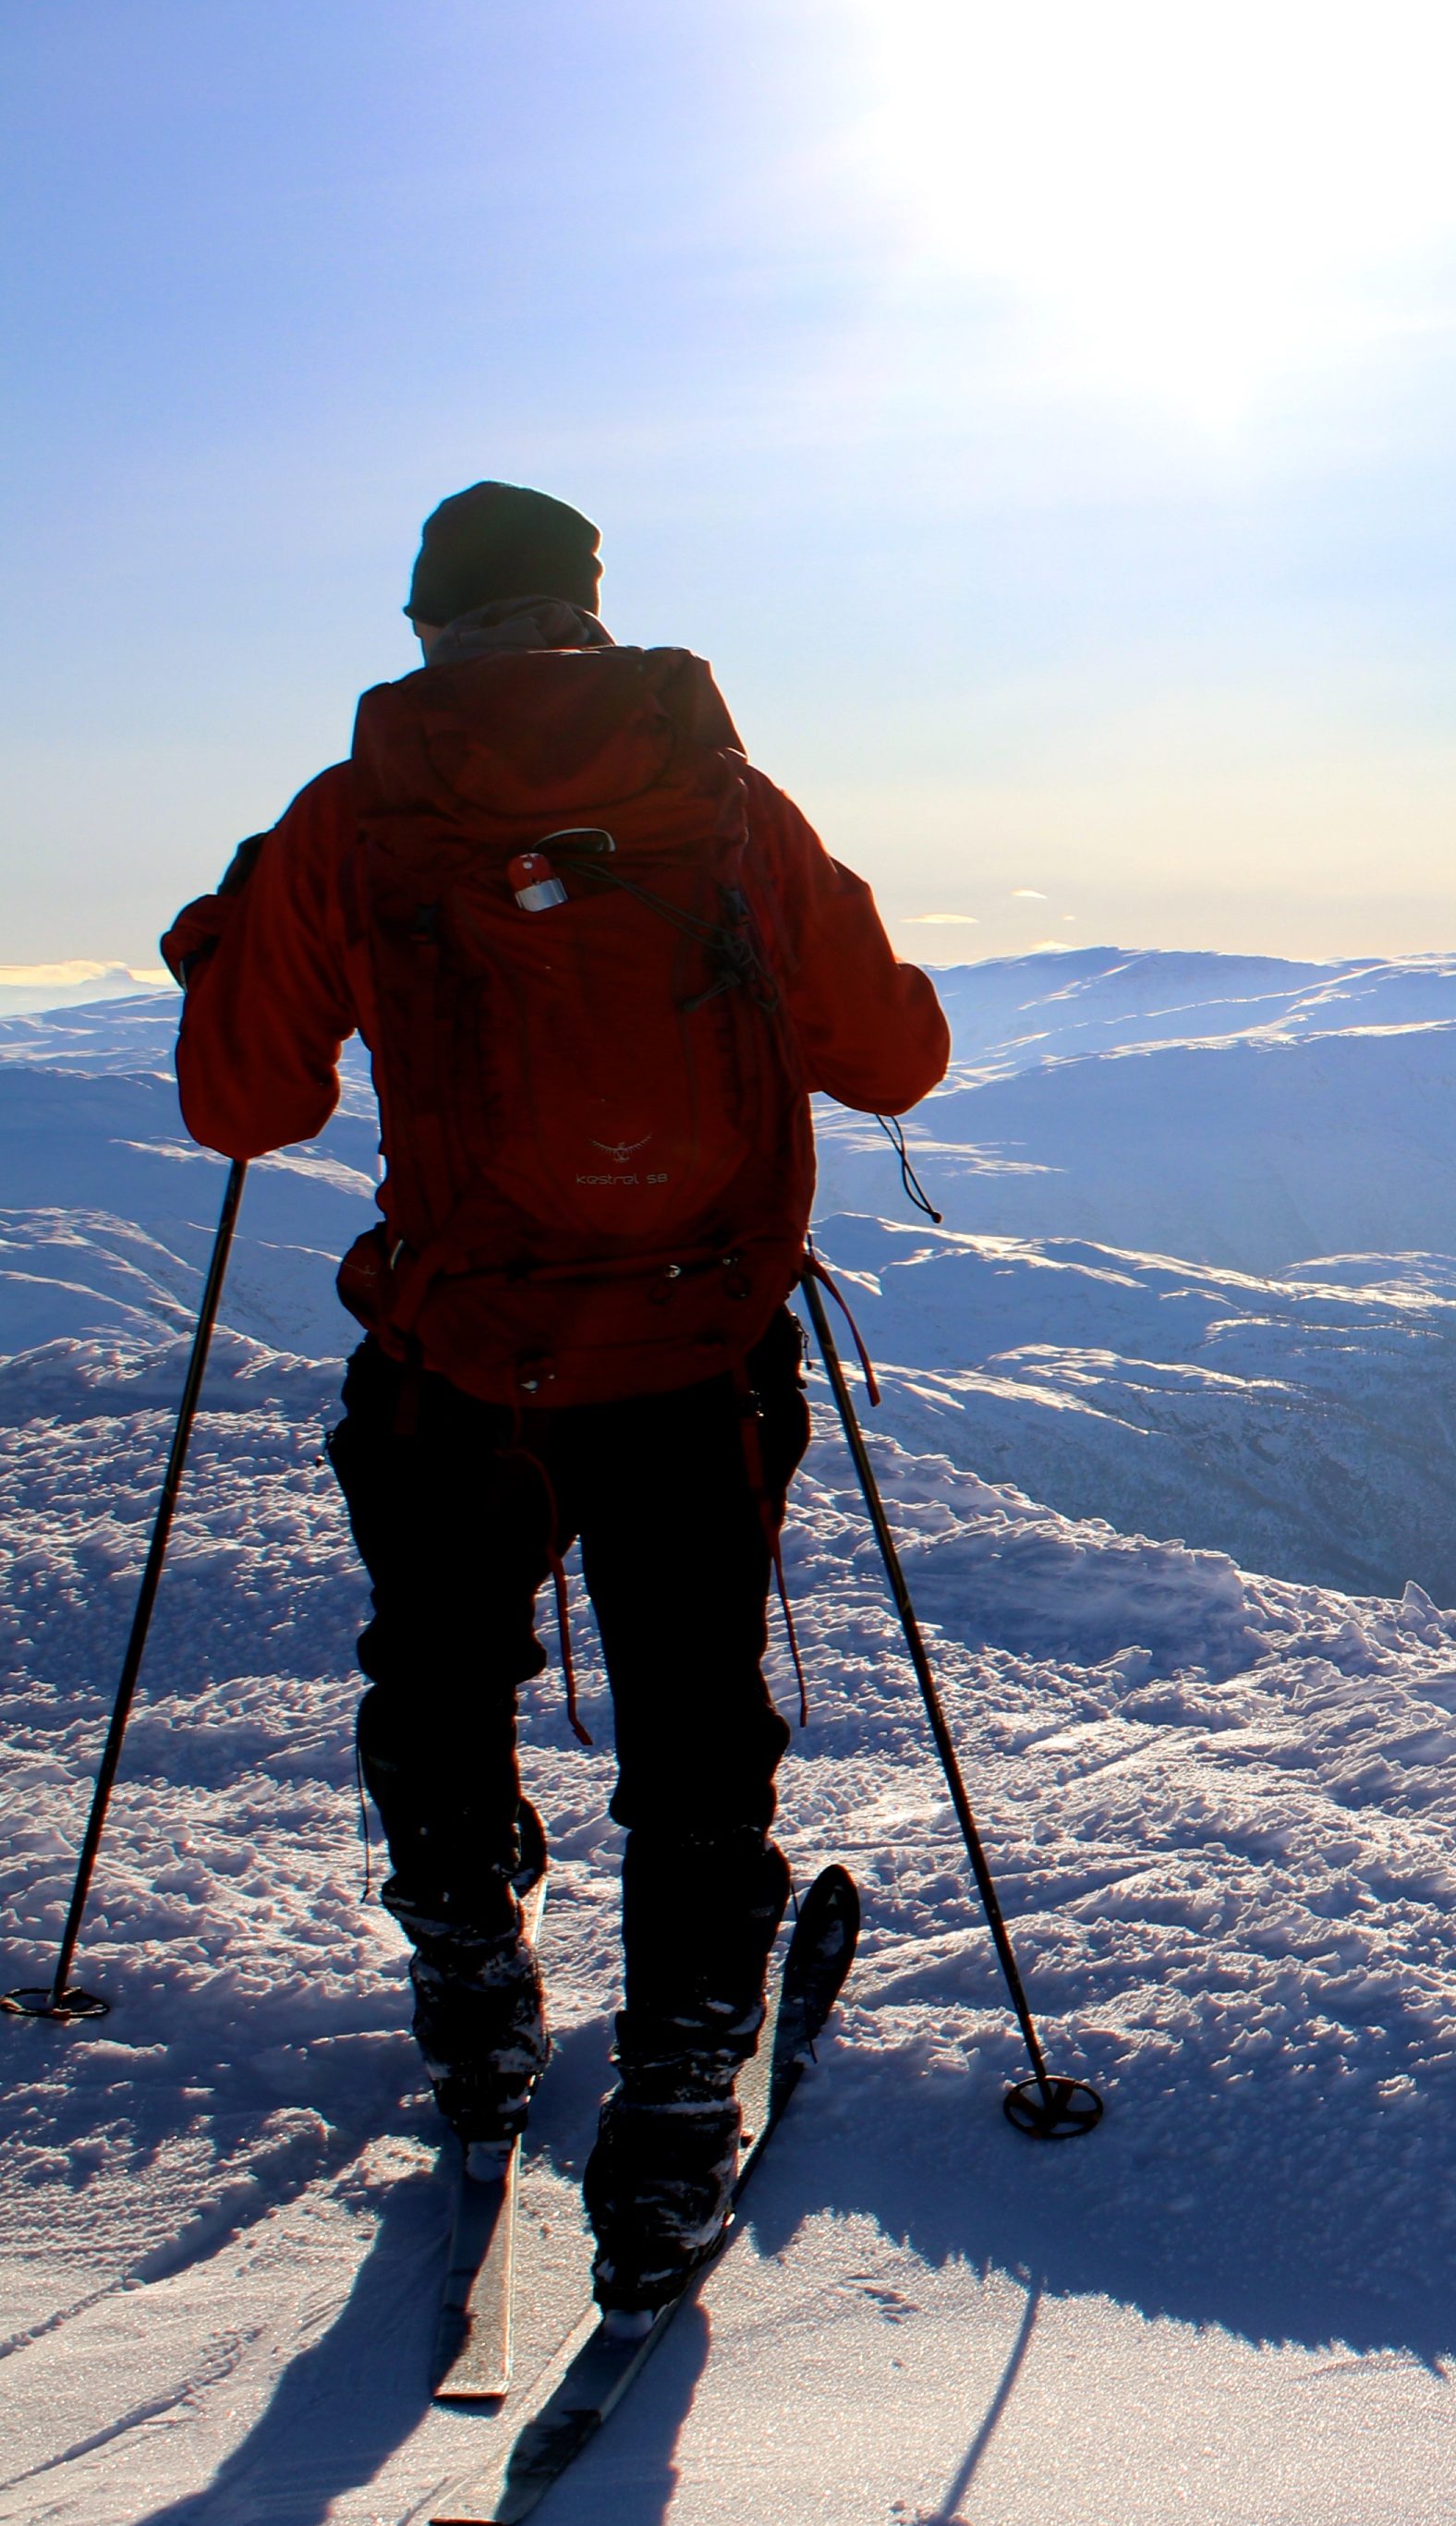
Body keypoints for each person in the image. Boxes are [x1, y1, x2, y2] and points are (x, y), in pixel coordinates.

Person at [162, 482, 948, 2321]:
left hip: (456, 1361)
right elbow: (895, 1054)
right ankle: (678, 2097)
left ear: (431, 626)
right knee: (694, 1718)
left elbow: (240, 1110)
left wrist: (226, 955)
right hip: (694, 1360)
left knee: (439, 1675)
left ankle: (471, 2003)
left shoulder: (353, 824)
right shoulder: (725, 806)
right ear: (586, 615)